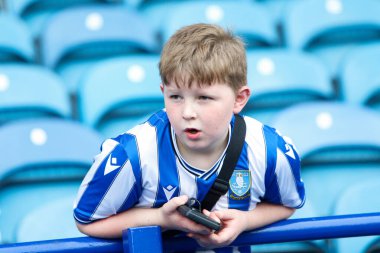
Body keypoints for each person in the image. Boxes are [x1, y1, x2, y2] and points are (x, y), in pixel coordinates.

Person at [73, 23, 305, 252]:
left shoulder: (270, 150)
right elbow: (86, 221)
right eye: (176, 96)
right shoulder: (131, 154)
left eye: (203, 97)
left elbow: (287, 205)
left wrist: (245, 221)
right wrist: (161, 219)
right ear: (163, 92)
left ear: (239, 99)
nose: (187, 112)